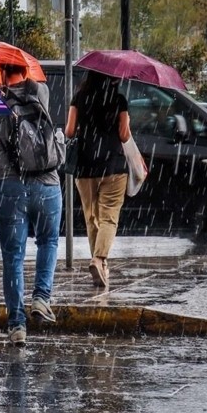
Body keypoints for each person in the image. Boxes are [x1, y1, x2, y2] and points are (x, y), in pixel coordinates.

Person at [0, 64, 61, 346]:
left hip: (11, 185)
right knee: (49, 241)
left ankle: (17, 326)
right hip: (48, 183)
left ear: (3, 71)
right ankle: (41, 297)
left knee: (13, 257)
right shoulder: (42, 92)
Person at [65, 70, 131, 289]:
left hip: (85, 166)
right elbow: (124, 135)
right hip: (113, 165)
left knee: (92, 217)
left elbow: (70, 131)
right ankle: (99, 259)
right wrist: (124, 120)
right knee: (109, 217)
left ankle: (100, 264)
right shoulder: (119, 99)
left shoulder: (79, 98)